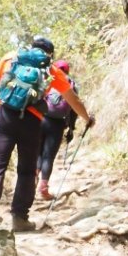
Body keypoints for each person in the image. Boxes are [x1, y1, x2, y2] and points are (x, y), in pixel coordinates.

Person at [0, 36, 95, 232]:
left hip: (4, 115)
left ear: (31, 48)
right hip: (32, 121)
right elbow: (73, 99)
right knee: (26, 170)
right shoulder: (51, 70)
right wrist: (87, 118)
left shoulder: (10, 58)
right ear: (50, 54)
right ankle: (19, 218)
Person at [37, 59, 78, 199]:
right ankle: (43, 189)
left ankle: (30, 184)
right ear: (67, 71)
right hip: (57, 124)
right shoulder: (70, 83)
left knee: (38, 154)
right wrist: (71, 128)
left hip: (41, 119)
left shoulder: (48, 80)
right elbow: (74, 108)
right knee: (48, 156)